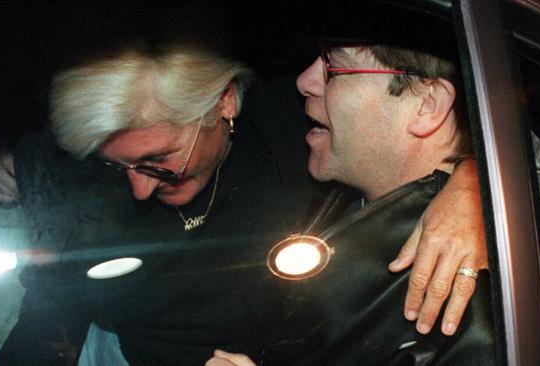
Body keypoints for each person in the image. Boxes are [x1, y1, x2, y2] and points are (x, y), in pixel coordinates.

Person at [0, 40, 487, 366]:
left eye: (160, 160)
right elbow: (50, 310)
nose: (139, 189)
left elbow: (500, 120)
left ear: (224, 103)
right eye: (120, 165)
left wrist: (474, 183)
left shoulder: (302, 130)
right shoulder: (76, 174)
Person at [208, 41, 494, 365]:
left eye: (334, 67)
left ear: (428, 105)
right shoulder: (346, 198)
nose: (305, 81)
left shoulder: (463, 291)